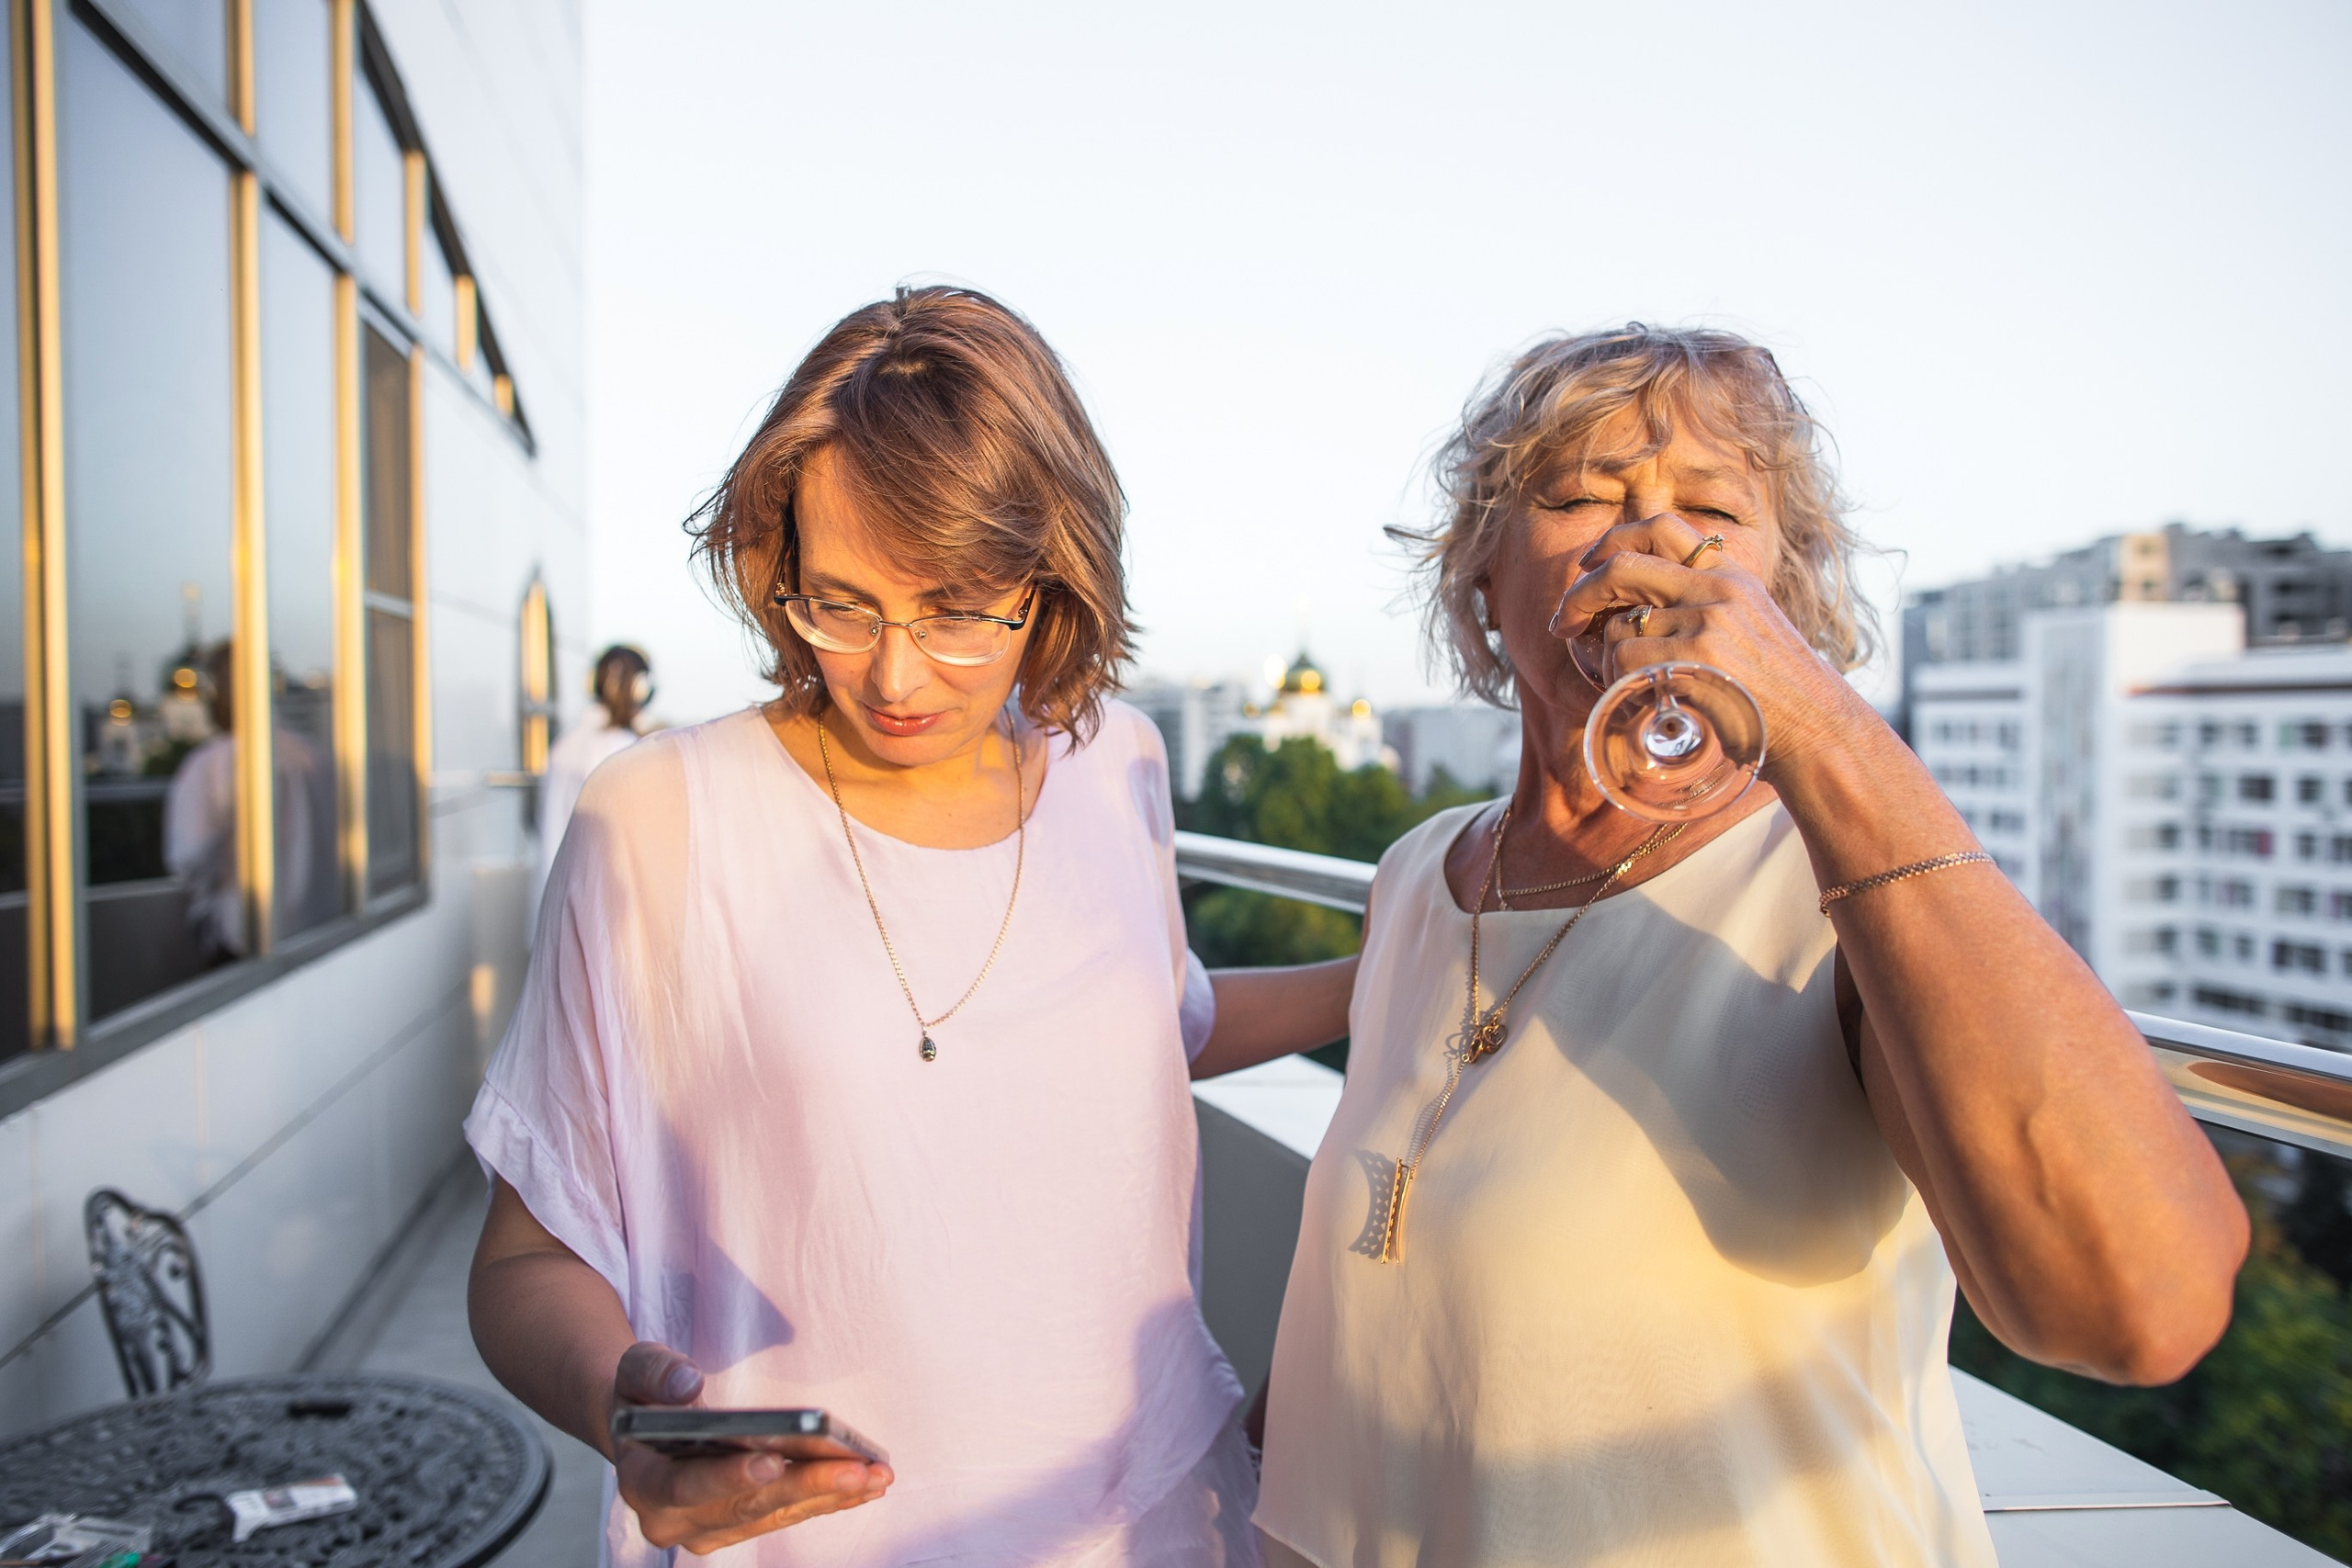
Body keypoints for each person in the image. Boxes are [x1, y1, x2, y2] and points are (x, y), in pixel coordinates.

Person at [1223, 325, 2249, 1567]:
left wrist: (1818, 726)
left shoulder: (1837, 889)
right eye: (1584, 495)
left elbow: (2139, 1308)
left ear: (1786, 592)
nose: (1654, 541)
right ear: (1480, 582)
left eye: (1710, 504)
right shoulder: (1424, 873)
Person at [466, 287, 1339, 1565]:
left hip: (1147, 1520)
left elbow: (1160, 1024)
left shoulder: (1121, 766)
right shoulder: (657, 820)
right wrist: (631, 1411)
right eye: (844, 601)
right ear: (776, 567)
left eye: (957, 606)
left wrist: (1407, 962)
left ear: (1052, 582)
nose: (896, 671)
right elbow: (522, 1259)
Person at [532, 643, 652, 921]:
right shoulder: (623, 748)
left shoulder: (565, 745)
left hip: (557, 901)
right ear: (639, 689)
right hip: (602, 906)